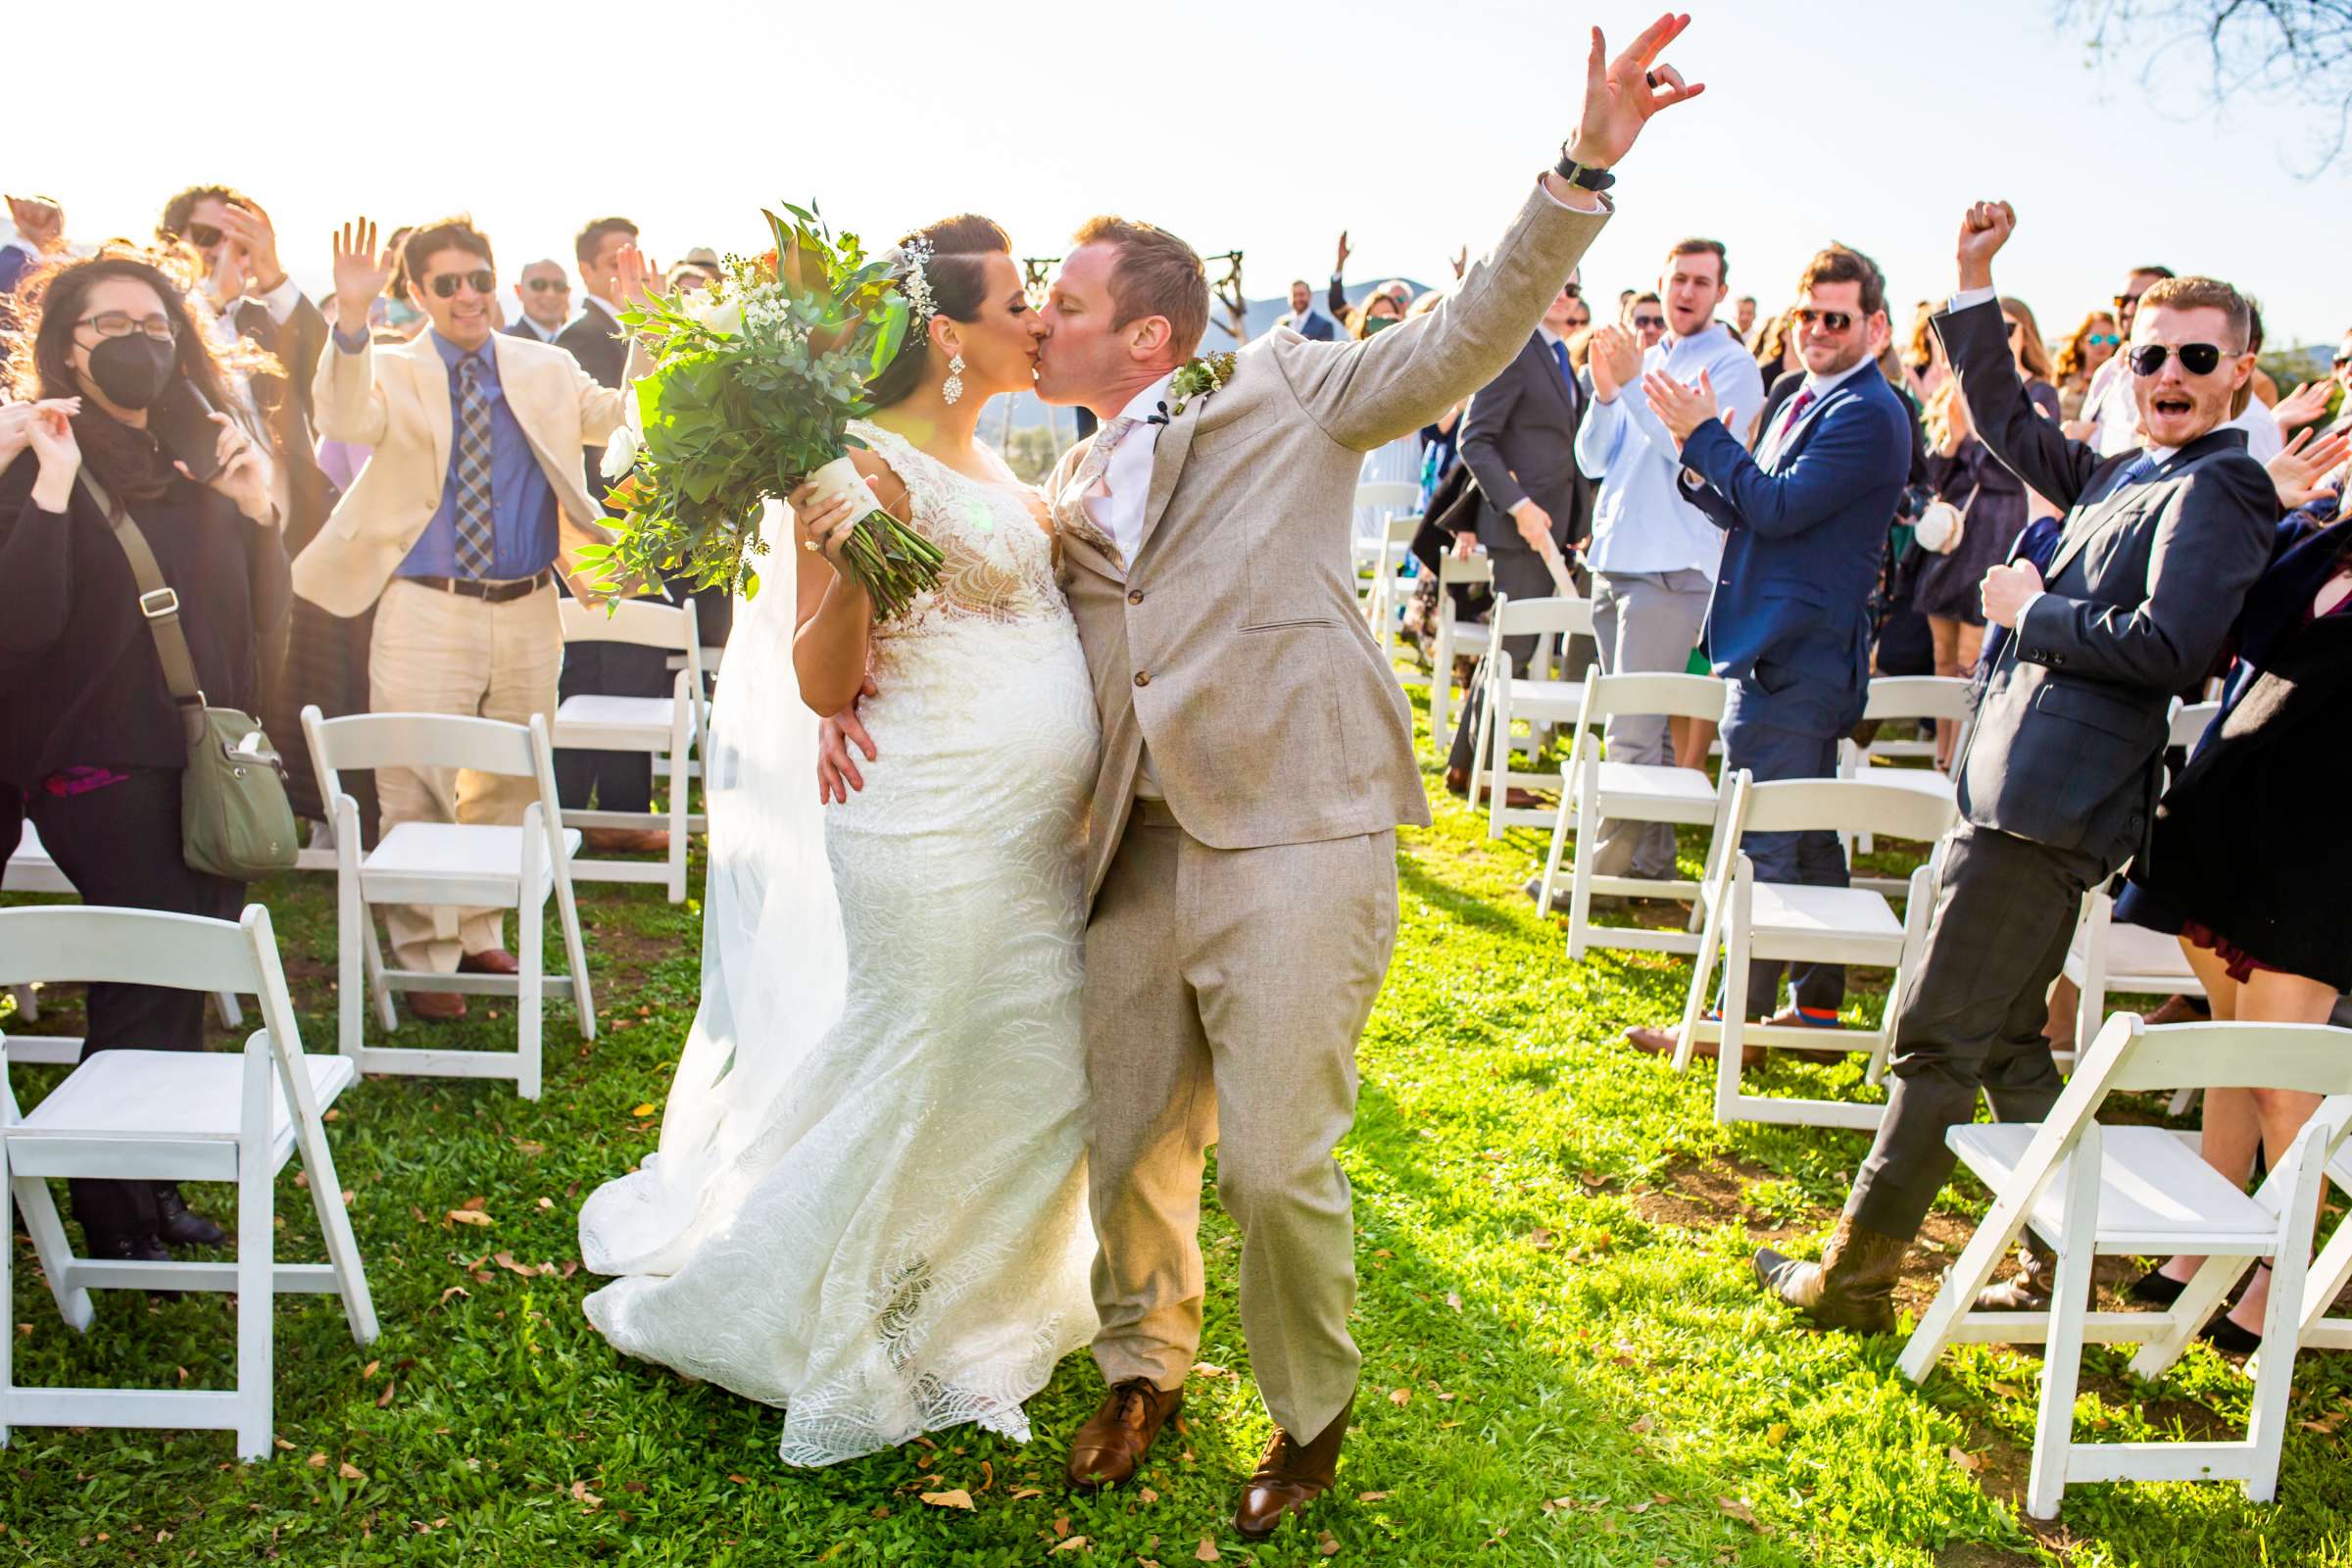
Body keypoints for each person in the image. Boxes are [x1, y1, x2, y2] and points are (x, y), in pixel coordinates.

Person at [794, 17, 1693, 1533]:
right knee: (1127, 1133)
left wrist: (1582, 165)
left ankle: (1308, 1419)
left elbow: (1467, 331)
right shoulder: (1062, 481)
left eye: (1061, 306)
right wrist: (846, 675)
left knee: (1278, 1166)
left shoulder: (1290, 390)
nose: (1038, 326)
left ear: (1144, 337)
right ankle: (1145, 1365)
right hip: (1128, 849)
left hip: (1296, 830)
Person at [578, 213, 1102, 1468]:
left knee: (1036, 1063)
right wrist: (853, 562)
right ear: (947, 333)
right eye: (1019, 300)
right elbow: (825, 683)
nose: (1037, 320)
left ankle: (962, 1295)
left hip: (1036, 833)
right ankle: (769, 1301)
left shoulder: (1007, 463)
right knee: (913, 1055)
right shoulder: (852, 464)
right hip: (922, 814)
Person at [1749, 202, 2278, 1333]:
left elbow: (2174, 650)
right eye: (2151, 355)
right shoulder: (2125, 474)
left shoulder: (2221, 488)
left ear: (2239, 372)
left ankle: (1852, 1277)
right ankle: (2059, 1249)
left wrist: (2035, 613)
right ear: (2127, 367)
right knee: (2000, 1044)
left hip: (2048, 811)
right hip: (2010, 793)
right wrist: (1973, 279)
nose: (2170, 374)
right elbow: (2000, 417)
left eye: (2196, 356)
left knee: (1937, 1035)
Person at [0, 251, 287, 1263]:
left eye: (157, 323)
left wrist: (257, 517)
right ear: (68, 349)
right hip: (98, 769)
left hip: (198, 759)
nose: (140, 342)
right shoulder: (37, 450)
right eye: (112, 326)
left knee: (182, 981)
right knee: (140, 982)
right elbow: (20, 626)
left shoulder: (195, 454)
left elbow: (257, 636)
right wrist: (52, 482)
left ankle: (151, 1185)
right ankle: (113, 1212)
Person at [293, 215, 653, 1020]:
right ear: (417, 292)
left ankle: (478, 929)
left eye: (478, 279)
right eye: (446, 283)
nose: (466, 296)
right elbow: (345, 420)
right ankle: (425, 955)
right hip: (424, 607)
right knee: (416, 777)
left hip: (530, 604)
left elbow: (629, 418)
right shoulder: (386, 368)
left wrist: (647, 326)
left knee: (511, 779)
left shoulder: (545, 365)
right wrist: (350, 319)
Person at [1626, 243, 1912, 1049]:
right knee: (1808, 828)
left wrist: (1706, 432)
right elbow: (1756, 505)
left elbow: (1780, 508)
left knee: (1764, 839)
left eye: (1837, 318)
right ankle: (1816, 1002)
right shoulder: (1800, 395)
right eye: (1809, 315)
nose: (1818, 330)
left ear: (1875, 326)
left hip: (1800, 653)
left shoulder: (1866, 412)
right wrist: (1700, 459)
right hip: (1783, 645)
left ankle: (1733, 1019)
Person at [2118, 486, 2352, 1347]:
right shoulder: (2321, 541)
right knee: (2232, 1041)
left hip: (2326, 857)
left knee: (2282, 1080)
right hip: (2242, 824)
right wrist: (2279, 508)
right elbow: (2241, 628)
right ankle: (2205, 1240)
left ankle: (2277, 1282)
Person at [1551, 237, 1763, 894]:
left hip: (1672, 568)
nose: (1686, 292)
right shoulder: (1653, 357)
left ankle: (1600, 876)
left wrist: (1635, 380)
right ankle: (1652, 863)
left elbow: (1689, 455)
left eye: (1701, 282)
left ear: (1721, 293)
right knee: (1653, 735)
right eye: (1678, 279)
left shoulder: (1732, 368)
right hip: (1617, 558)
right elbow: (1592, 461)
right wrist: (1607, 394)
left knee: (1631, 731)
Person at [1439, 281, 1598, 799]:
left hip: (1555, 532)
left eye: (1571, 287)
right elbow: (1474, 439)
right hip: (1519, 530)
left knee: (1511, 651)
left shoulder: (1559, 358)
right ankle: (1479, 774)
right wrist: (1520, 506)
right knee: (1512, 651)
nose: (1560, 294)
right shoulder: (1516, 349)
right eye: (1552, 282)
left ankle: (1468, 767)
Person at [551, 215, 673, 858]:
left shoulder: (635, 328)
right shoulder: (580, 338)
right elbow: (616, 426)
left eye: (638, 253)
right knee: (606, 665)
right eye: (617, 258)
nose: (633, 267)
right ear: (589, 270)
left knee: (622, 666)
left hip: (636, 524)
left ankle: (596, 809)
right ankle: (602, 812)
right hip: (604, 522)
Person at [1913, 296, 2062, 763]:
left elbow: (2015, 471)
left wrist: (1975, 440)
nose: (2000, 335)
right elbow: (1932, 474)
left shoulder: (2038, 394)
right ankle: (1941, 757)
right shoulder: (1958, 386)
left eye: (2011, 327)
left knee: (1975, 656)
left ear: (2027, 336)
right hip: (1955, 533)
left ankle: (1965, 763)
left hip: (2001, 529)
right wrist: (1954, 438)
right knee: (1942, 655)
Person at [2052, 309, 2120, 420]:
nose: (2103, 344)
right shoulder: (2063, 375)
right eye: (2096, 339)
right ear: (2082, 343)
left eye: (2111, 339)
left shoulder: (2118, 380)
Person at [506, 259, 571, 343]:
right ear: (519, 291)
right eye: (539, 285)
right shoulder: (506, 344)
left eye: (559, 286)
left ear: (568, 292)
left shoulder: (584, 342)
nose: (550, 294)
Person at [1275, 277, 1339, 341]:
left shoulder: (1324, 326)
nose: (1297, 299)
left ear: (1310, 295)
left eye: (1301, 294)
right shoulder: (1280, 324)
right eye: (1294, 295)